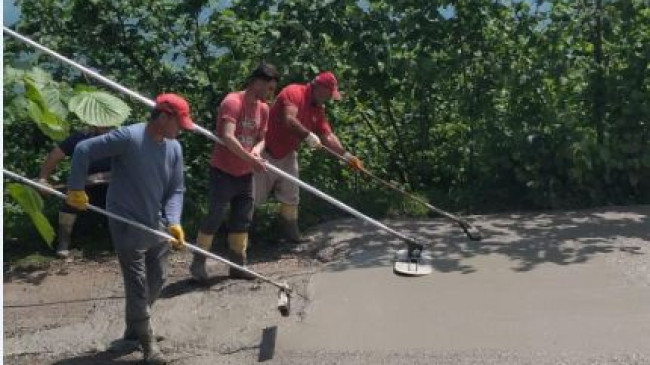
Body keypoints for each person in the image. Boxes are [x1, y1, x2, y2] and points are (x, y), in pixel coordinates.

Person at [65, 93, 193, 365]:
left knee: (157, 279)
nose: (181, 129)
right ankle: (147, 345)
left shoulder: (174, 148)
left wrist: (174, 220)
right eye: (178, 123)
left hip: (156, 223)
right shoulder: (130, 137)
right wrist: (76, 187)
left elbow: (176, 189)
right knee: (136, 285)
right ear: (163, 117)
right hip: (125, 221)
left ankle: (133, 331)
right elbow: (83, 149)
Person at [190, 62, 280, 281]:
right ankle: (198, 262)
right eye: (269, 88)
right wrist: (251, 158)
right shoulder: (232, 102)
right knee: (215, 214)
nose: (270, 93)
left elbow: (262, 138)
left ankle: (238, 264)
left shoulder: (263, 109)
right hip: (223, 170)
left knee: (243, 217)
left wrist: (257, 152)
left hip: (245, 173)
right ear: (257, 83)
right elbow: (227, 137)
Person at [254, 71, 364, 243]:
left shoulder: (318, 109)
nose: (329, 98)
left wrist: (346, 156)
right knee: (252, 197)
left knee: (291, 195)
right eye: (329, 94)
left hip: (288, 154)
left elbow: (327, 136)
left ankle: (292, 236)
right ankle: (242, 235)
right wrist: (308, 135)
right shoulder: (294, 92)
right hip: (265, 151)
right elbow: (288, 120)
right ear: (319, 88)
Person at [38, 127, 112, 258]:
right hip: (83, 188)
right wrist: (43, 179)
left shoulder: (121, 137)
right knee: (70, 201)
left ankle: (124, 240)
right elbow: (56, 154)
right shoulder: (81, 137)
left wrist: (101, 177)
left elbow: (131, 166)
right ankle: (63, 243)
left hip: (113, 188)